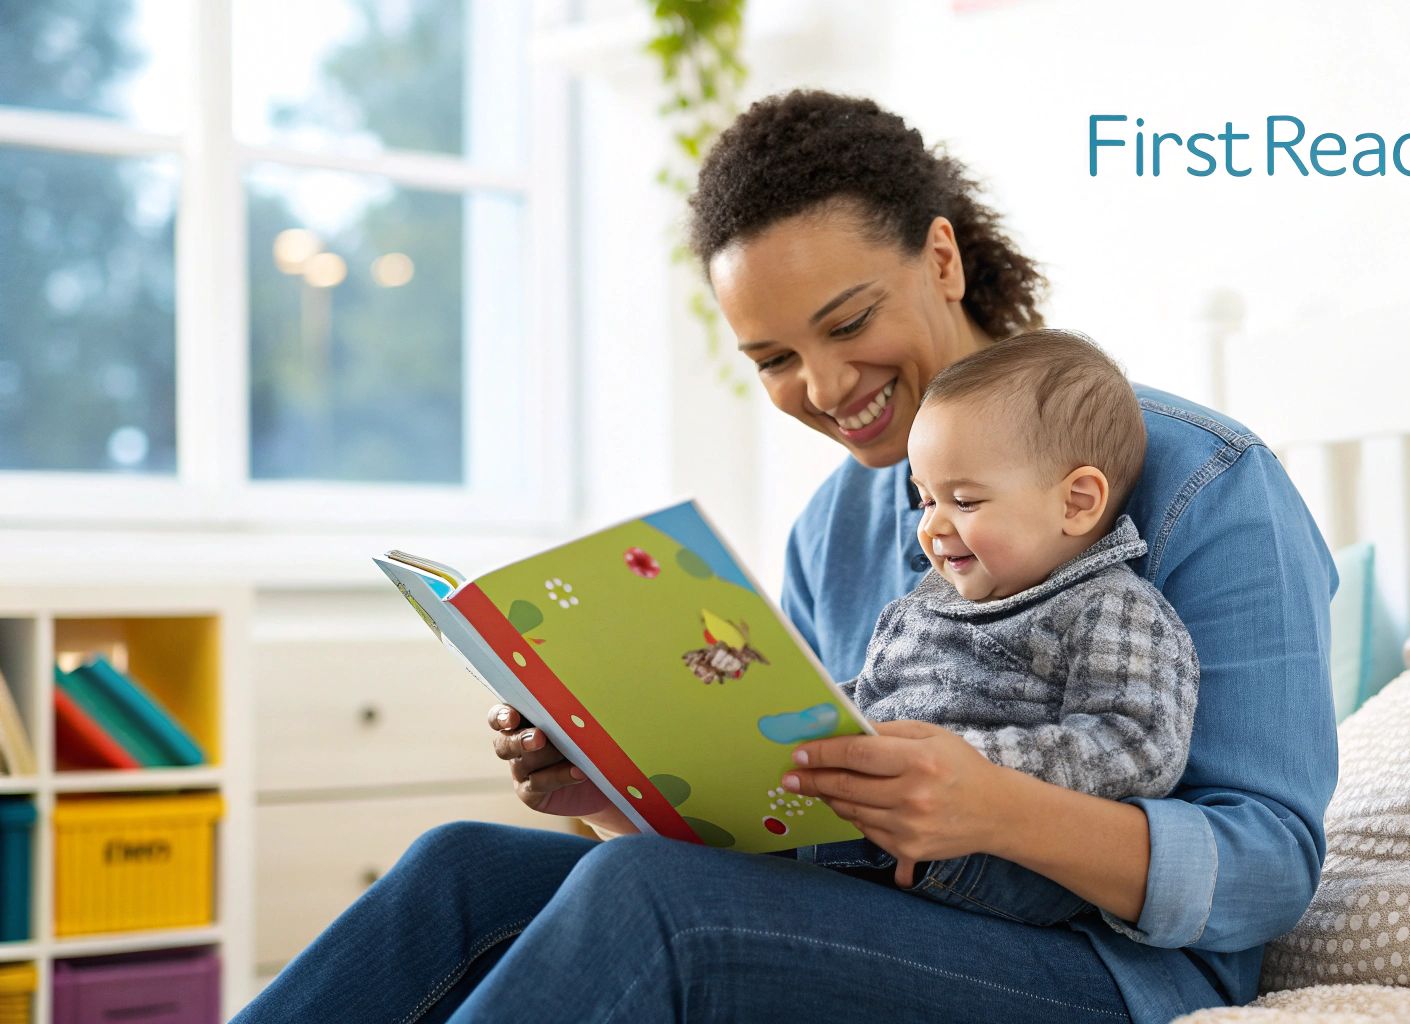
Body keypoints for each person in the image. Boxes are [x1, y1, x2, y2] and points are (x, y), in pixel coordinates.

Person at [234, 90, 1338, 1024]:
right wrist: (620, 785)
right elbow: (797, 825)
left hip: (1116, 971)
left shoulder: (1202, 480)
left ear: (940, 257)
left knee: (646, 902)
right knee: (456, 869)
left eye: (847, 321)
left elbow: (1268, 869)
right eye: (771, 357)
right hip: (895, 913)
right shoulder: (836, 523)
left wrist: (992, 808)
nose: (821, 387)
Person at [811, 327, 1201, 927]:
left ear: (1076, 503)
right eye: (924, 500)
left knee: (727, 851)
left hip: (1007, 863)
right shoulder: (924, 607)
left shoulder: (1112, 606)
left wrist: (972, 768)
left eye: (964, 501)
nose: (931, 528)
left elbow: (1139, 746)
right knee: (676, 832)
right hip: (906, 828)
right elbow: (874, 704)